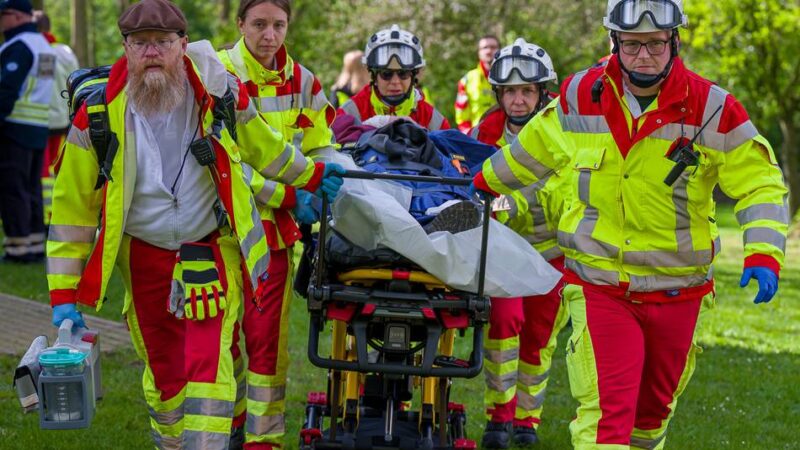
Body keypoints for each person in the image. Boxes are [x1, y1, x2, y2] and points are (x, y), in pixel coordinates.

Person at [470, 1, 789, 448]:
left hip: (680, 290)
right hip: (601, 287)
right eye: (633, 43)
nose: (644, 55)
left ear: (674, 42)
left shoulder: (713, 109)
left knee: (650, 420)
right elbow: (533, 149)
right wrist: (483, 183)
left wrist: (763, 251)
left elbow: (761, 183)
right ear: (614, 42)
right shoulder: (581, 94)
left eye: (655, 43)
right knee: (604, 420)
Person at [45, 1, 344, 448]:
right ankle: (171, 442)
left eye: (162, 43)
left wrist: (312, 175)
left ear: (182, 45)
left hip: (207, 246)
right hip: (141, 255)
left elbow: (264, 146)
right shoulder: (97, 114)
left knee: (210, 365)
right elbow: (72, 214)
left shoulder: (218, 91)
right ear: (125, 48)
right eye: (140, 43)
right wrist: (64, 296)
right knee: (164, 371)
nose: (152, 53)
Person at [217, 0, 337, 447]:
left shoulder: (305, 81)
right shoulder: (220, 75)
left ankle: (262, 439)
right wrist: (292, 194)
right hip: (222, 229)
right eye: (260, 24)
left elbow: (321, 148)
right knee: (222, 338)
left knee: (266, 342)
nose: (270, 35)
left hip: (275, 234)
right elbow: (224, 164)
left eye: (279, 25)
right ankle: (227, 423)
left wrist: (319, 189)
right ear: (240, 24)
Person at [469, 38, 568, 449]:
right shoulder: (483, 133)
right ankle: (499, 415)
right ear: (499, 94)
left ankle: (528, 420)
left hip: (552, 254)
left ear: (543, 93)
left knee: (540, 338)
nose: (519, 100)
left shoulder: (564, 133)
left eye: (527, 91)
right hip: (503, 255)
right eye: (510, 91)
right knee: (504, 328)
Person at [0, 0, 54, 263]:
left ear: (19, 16)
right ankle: (33, 244)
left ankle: (18, 249)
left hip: (14, 127)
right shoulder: (43, 45)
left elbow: (6, 90)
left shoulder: (19, 46)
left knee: (13, 188)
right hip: (37, 126)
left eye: (4, 14)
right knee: (31, 187)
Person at [333, 24, 449, 134]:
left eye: (403, 73)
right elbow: (330, 143)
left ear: (413, 76)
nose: (395, 81)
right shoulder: (351, 110)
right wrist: (375, 124)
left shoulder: (432, 119)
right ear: (374, 76)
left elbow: (452, 150)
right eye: (386, 74)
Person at [33, 10, 79, 225]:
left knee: (42, 171)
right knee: (56, 167)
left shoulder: (39, 51)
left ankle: (44, 216)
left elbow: (44, 86)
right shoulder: (65, 51)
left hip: (42, 119)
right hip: (65, 120)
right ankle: (56, 212)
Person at [454, 34, 500, 133]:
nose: (489, 51)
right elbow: (461, 115)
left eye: (493, 47)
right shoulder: (466, 80)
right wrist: (469, 137)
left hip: (504, 138)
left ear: (500, 50)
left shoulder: (508, 77)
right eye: (485, 48)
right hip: (477, 137)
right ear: (479, 52)